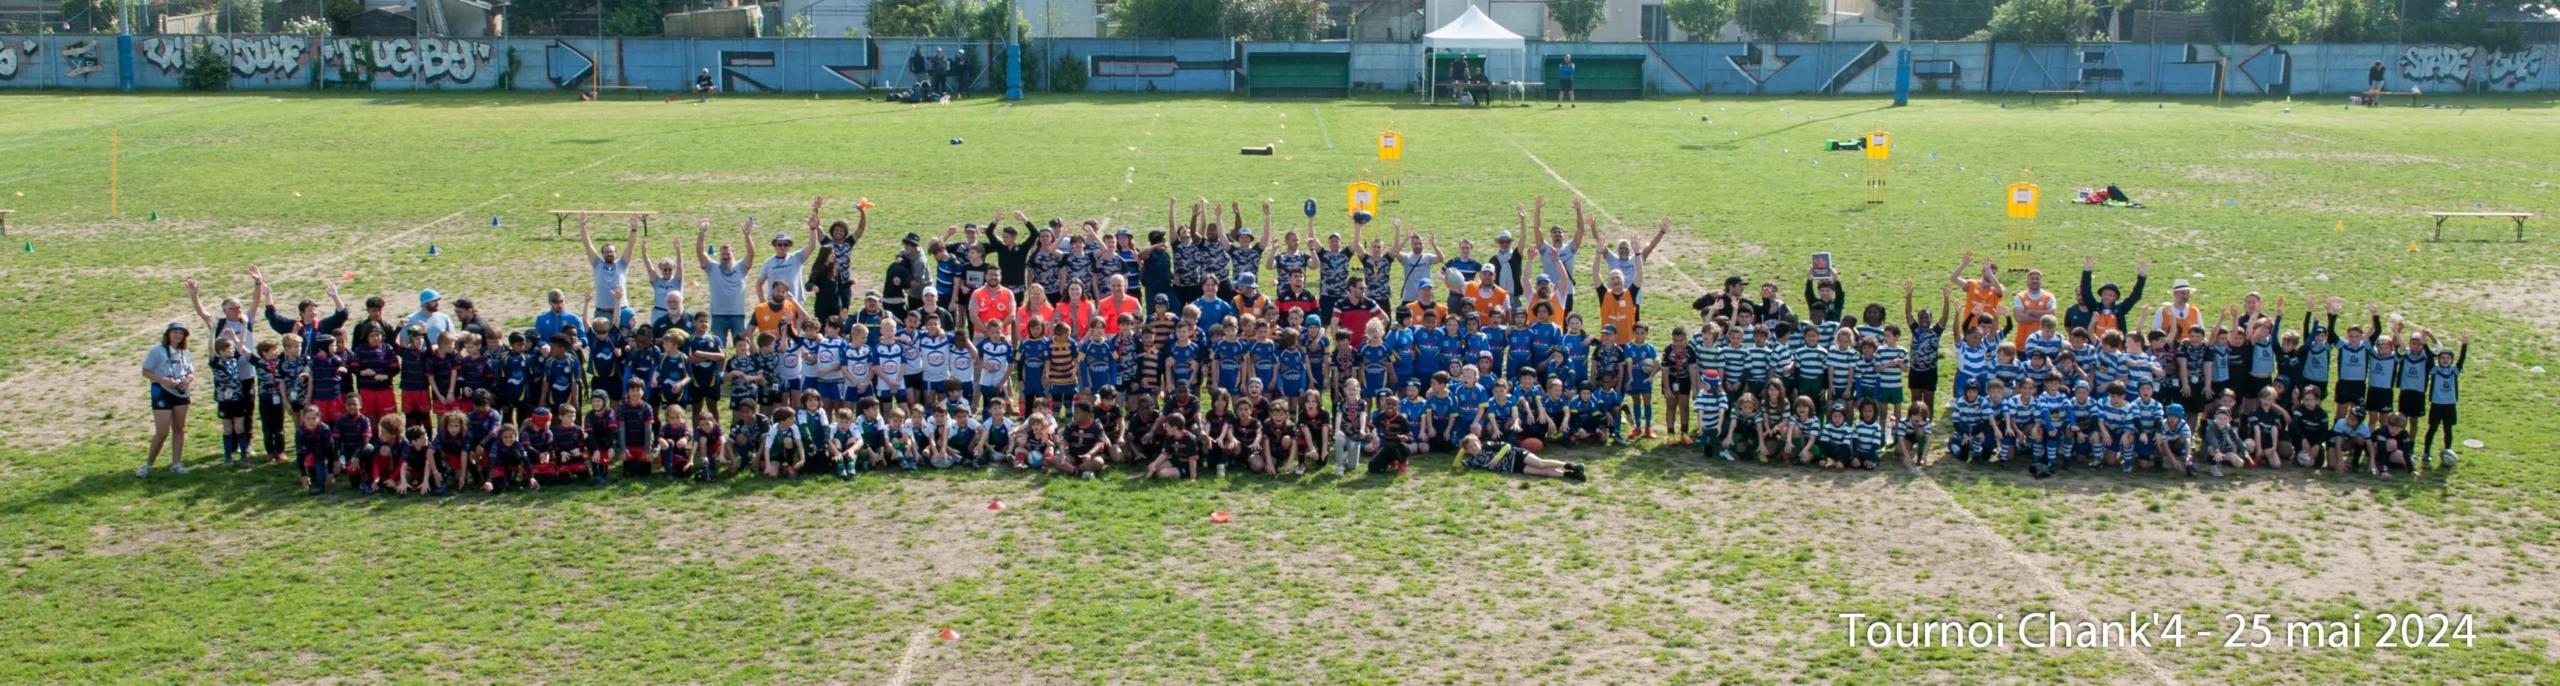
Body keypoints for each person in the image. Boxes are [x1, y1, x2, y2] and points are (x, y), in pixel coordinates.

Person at [142, 322, 197, 477]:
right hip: (161, 391)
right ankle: (148, 464)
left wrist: (187, 380)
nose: (178, 335)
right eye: (175, 332)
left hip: (181, 392)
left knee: (179, 428)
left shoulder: (185, 352)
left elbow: (190, 372)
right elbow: (145, 372)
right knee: (162, 431)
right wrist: (164, 380)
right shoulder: (157, 351)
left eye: (181, 333)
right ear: (168, 334)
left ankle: (176, 464)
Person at [810, 199, 869, 322]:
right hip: (829, 285)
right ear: (832, 232)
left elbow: (860, 229)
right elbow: (816, 227)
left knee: (843, 313)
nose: (839, 232)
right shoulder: (827, 243)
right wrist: (816, 209)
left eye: (841, 230)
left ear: (845, 233)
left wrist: (863, 212)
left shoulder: (848, 243)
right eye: (836, 230)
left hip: (845, 284)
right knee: (825, 314)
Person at [760, 197, 824, 305]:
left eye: (785, 244)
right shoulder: (768, 263)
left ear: (789, 246)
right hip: (775, 305)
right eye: (779, 244)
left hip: (795, 303)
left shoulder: (796, 257)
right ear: (775, 245)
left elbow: (812, 246)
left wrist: (813, 229)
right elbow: (758, 284)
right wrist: (763, 304)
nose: (782, 247)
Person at [578, 213, 641, 320]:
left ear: (616, 253)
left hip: (622, 310)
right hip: (602, 312)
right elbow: (587, 244)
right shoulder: (597, 263)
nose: (609, 254)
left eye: (611, 252)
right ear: (602, 254)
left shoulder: (622, 263)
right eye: (606, 252)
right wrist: (583, 227)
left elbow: (631, 244)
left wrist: (634, 228)